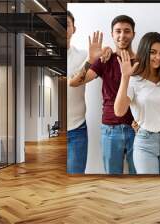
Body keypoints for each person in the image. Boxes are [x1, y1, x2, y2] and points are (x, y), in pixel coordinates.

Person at [69, 15, 137, 174]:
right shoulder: (105, 59)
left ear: (133, 33)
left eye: (127, 31)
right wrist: (91, 60)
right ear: (112, 34)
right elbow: (75, 82)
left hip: (137, 129)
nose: (122, 35)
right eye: (118, 31)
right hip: (110, 129)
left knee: (139, 178)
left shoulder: (140, 61)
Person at [114, 32, 160, 174]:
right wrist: (125, 77)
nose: (158, 57)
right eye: (153, 52)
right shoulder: (134, 80)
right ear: (144, 53)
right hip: (145, 142)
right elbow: (119, 111)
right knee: (150, 189)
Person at [67, 11, 110, 174]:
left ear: (74, 29)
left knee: (75, 180)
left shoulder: (84, 55)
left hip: (76, 130)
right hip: (56, 131)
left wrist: (105, 51)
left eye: (67, 24)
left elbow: (103, 56)